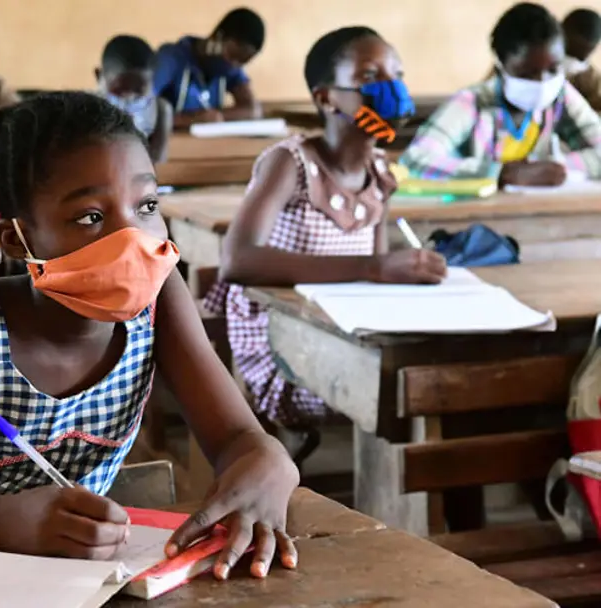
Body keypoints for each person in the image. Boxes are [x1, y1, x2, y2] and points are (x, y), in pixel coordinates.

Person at [0, 92, 301, 580]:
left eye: (147, 205)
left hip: (65, 582)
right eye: (91, 217)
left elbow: (239, 439)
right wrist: (1, 523)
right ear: (16, 238)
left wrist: (268, 461)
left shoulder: (158, 300)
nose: (134, 240)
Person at [203, 28, 447, 438]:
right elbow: (237, 261)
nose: (392, 87)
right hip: (279, 347)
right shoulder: (291, 162)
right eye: (370, 77)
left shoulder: (380, 172)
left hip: (341, 334)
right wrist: (374, 267)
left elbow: (376, 281)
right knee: (402, 396)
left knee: (429, 383)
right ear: (326, 97)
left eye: (397, 74)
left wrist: (397, 274)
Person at [401, 2, 601, 184]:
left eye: (553, 70)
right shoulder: (473, 102)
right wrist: (500, 173)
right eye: (527, 74)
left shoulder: (560, 95)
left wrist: (554, 167)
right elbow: (414, 160)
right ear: (500, 68)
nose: (542, 82)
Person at [153, 7, 264, 128]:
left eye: (242, 61)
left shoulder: (229, 68)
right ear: (218, 37)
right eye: (232, 55)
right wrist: (190, 119)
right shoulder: (171, 58)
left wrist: (218, 116)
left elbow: (253, 110)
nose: (234, 66)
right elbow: (140, 108)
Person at [97, 35, 173, 163]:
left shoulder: (161, 110)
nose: (129, 98)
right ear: (99, 76)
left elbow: (156, 166)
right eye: (119, 90)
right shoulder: (83, 112)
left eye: (139, 92)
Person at [562, 8, 601, 111]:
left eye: (582, 59)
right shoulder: (541, 67)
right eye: (571, 54)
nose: (576, 62)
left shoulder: (591, 78)